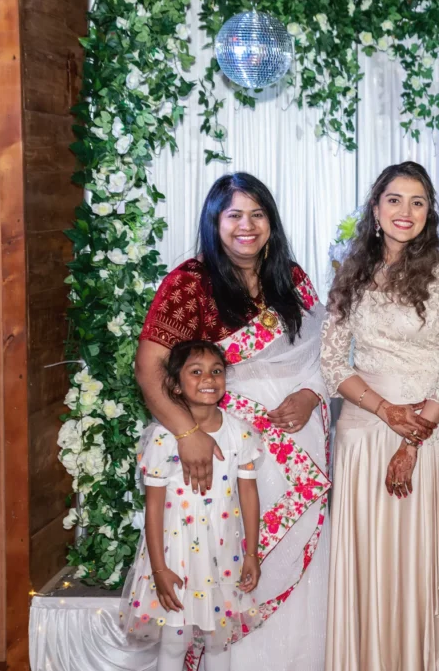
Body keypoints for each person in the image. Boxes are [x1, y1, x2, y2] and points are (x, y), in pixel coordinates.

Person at [135, 173, 331, 671]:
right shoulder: (189, 283)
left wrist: (311, 395)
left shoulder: (291, 276)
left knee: (298, 572)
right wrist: (187, 433)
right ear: (214, 222)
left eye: (257, 214)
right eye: (234, 215)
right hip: (223, 446)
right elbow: (150, 369)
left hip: (298, 440)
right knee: (229, 561)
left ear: (271, 221)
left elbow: (324, 354)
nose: (247, 226)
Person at [320, 161, 439, 671]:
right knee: (368, 564)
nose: (404, 211)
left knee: (419, 564)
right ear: (375, 207)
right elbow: (330, 362)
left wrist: (411, 439)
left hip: (427, 433)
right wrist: (386, 410)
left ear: (429, 211)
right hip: (364, 436)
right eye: (394, 200)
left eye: (417, 201)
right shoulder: (350, 271)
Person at [121, 340, 262, 671]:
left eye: (216, 371)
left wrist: (252, 553)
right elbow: (153, 509)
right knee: (173, 644)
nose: (208, 379)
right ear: (174, 384)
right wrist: (159, 569)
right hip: (177, 559)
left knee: (219, 646)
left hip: (225, 556)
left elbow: (249, 495)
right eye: (195, 372)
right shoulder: (162, 439)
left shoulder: (239, 434)